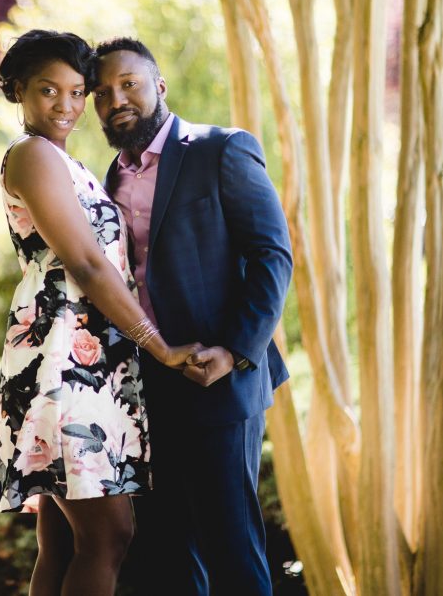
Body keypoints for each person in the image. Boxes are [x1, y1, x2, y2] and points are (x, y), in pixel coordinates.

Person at [0, 29, 205, 596]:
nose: (65, 105)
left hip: (89, 360)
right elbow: (87, 264)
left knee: (64, 542)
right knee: (109, 536)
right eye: (47, 91)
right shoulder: (34, 155)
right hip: (64, 360)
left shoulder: (67, 161)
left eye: (76, 92)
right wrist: (159, 346)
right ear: (17, 91)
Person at [92, 36, 293, 595]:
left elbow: (272, 254)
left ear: (158, 85)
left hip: (219, 375)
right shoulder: (107, 179)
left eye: (129, 84)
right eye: (102, 93)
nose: (116, 99)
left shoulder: (221, 148)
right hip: (146, 383)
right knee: (169, 556)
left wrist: (234, 350)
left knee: (233, 546)